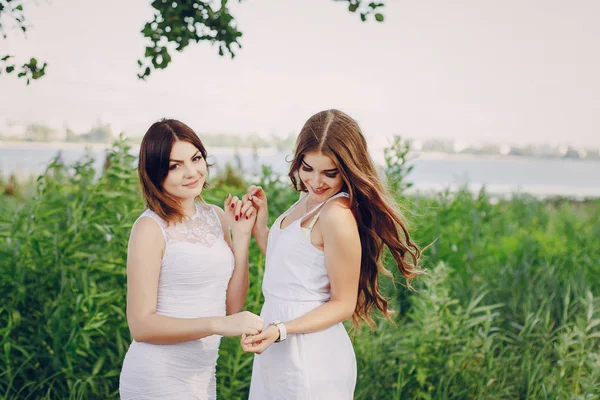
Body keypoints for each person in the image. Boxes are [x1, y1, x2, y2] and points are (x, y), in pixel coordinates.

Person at [233, 109, 423, 399]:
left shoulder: (336, 214)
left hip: (309, 353)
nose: (316, 181)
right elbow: (293, 272)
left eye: (329, 173)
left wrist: (282, 330)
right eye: (307, 168)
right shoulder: (308, 198)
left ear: (347, 169)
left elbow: (343, 304)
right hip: (277, 345)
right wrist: (260, 226)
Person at [119, 119, 263, 399]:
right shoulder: (150, 228)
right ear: (155, 172)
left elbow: (232, 308)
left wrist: (241, 237)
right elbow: (141, 326)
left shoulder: (216, 217)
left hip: (202, 377)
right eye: (175, 166)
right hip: (157, 377)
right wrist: (215, 324)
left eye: (195, 158)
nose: (191, 172)